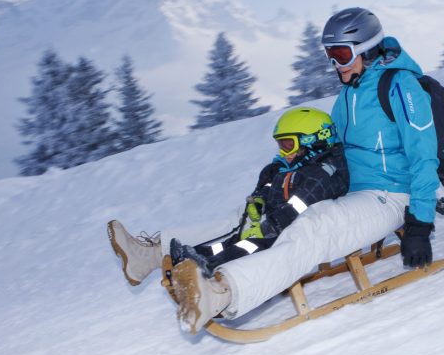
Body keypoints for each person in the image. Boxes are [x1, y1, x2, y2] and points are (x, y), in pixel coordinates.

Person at [170, 7, 440, 334]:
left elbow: (424, 156)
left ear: (368, 49)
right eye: (330, 55)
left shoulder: (401, 86)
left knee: (313, 228)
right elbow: (330, 148)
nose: (335, 64)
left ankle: (220, 294)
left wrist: (419, 223)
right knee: (266, 209)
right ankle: (171, 252)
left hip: (391, 195)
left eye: (342, 54)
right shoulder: (349, 94)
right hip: (349, 191)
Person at [107, 106, 349, 285]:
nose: (283, 152)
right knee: (233, 237)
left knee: (247, 243)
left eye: (288, 145)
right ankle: (190, 259)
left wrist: (268, 225)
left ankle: (205, 269)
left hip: (282, 230)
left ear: (313, 140)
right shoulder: (286, 167)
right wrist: (257, 202)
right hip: (270, 221)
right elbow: (267, 187)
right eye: (280, 145)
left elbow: (300, 202)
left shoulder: (323, 172)